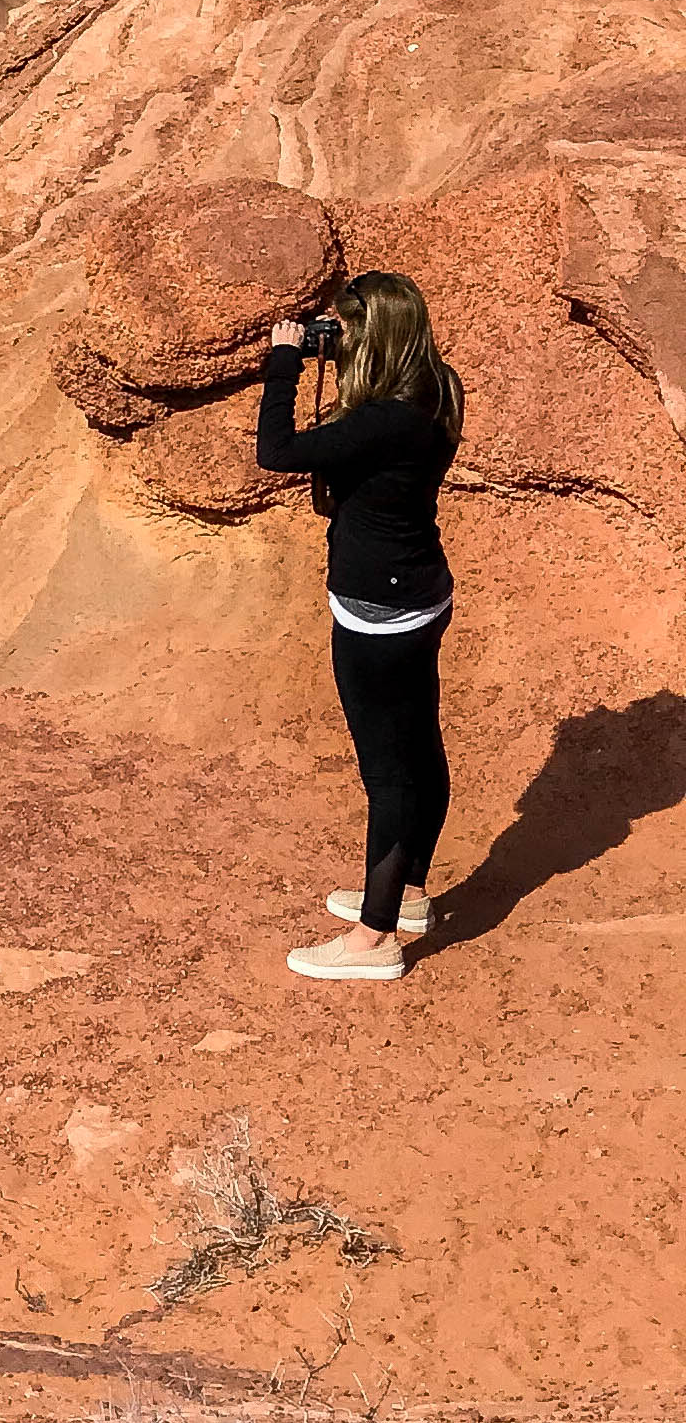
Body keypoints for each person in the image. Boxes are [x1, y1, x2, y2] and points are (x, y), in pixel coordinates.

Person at [258, 272, 463, 982]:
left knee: (388, 775)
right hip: (422, 594)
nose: (333, 338)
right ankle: (404, 893)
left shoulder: (380, 423)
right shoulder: (438, 388)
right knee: (420, 745)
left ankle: (373, 940)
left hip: (376, 613)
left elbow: (277, 452)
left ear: (371, 339)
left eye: (344, 331)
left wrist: (285, 363)